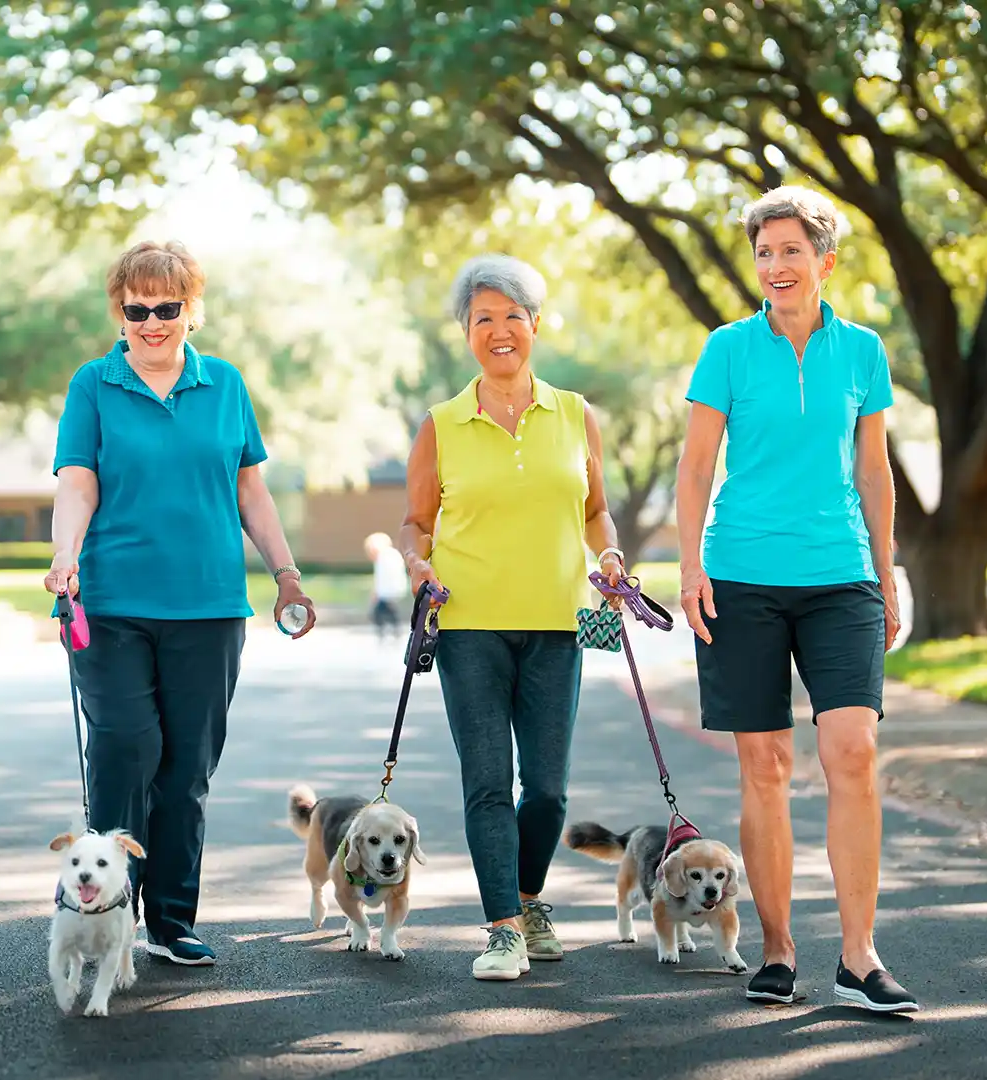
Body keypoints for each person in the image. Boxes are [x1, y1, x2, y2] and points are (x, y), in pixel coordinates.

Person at [674, 185, 916, 1013]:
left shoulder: (863, 352)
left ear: (825, 260)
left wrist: (885, 572)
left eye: (790, 251)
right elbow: (697, 465)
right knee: (766, 764)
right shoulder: (728, 350)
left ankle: (859, 956)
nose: (776, 266)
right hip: (741, 573)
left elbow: (874, 469)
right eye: (764, 253)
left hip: (840, 573)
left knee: (852, 751)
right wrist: (689, 564)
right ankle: (777, 951)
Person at [42, 239, 316, 967]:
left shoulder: (224, 384)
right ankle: (101, 912)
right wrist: (64, 554)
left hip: (211, 605)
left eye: (168, 308)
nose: (153, 322)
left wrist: (284, 571)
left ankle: (168, 920)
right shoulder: (93, 384)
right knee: (126, 746)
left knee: (186, 767)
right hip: (112, 602)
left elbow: (249, 489)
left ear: (191, 309)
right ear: (120, 311)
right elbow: (77, 482)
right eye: (138, 309)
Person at [398, 253, 628, 981]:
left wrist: (612, 555)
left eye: (512, 317)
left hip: (561, 621)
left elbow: (595, 512)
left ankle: (528, 901)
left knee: (549, 787)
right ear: (466, 333)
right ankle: (502, 928)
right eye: (482, 319)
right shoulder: (441, 424)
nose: (499, 331)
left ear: (535, 325)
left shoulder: (574, 413)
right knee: (488, 781)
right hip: (468, 626)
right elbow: (415, 522)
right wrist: (417, 561)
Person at [363, 531, 407, 642]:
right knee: (387, 610)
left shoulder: (384, 557)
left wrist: (377, 593)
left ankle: (387, 633)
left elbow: (383, 578)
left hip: (388, 591)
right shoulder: (391, 555)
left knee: (380, 611)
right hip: (393, 589)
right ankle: (394, 631)